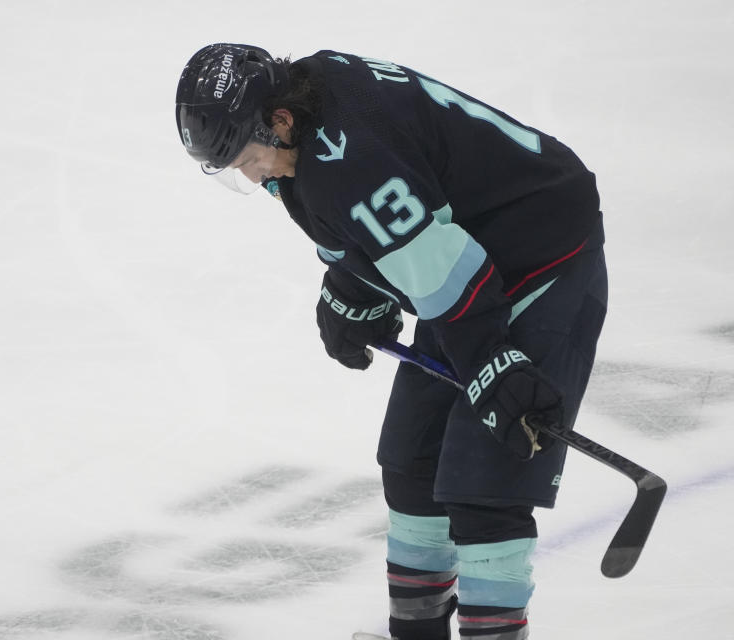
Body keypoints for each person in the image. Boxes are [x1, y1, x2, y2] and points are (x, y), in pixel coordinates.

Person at [174, 44, 608, 640]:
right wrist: (354, 286)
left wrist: (494, 368)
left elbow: (439, 267)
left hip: (540, 254)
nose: (251, 175)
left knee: (487, 474)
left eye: (248, 159)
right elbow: (395, 215)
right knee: (412, 459)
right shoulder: (311, 100)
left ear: (278, 120)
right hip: (463, 257)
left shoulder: (345, 168)